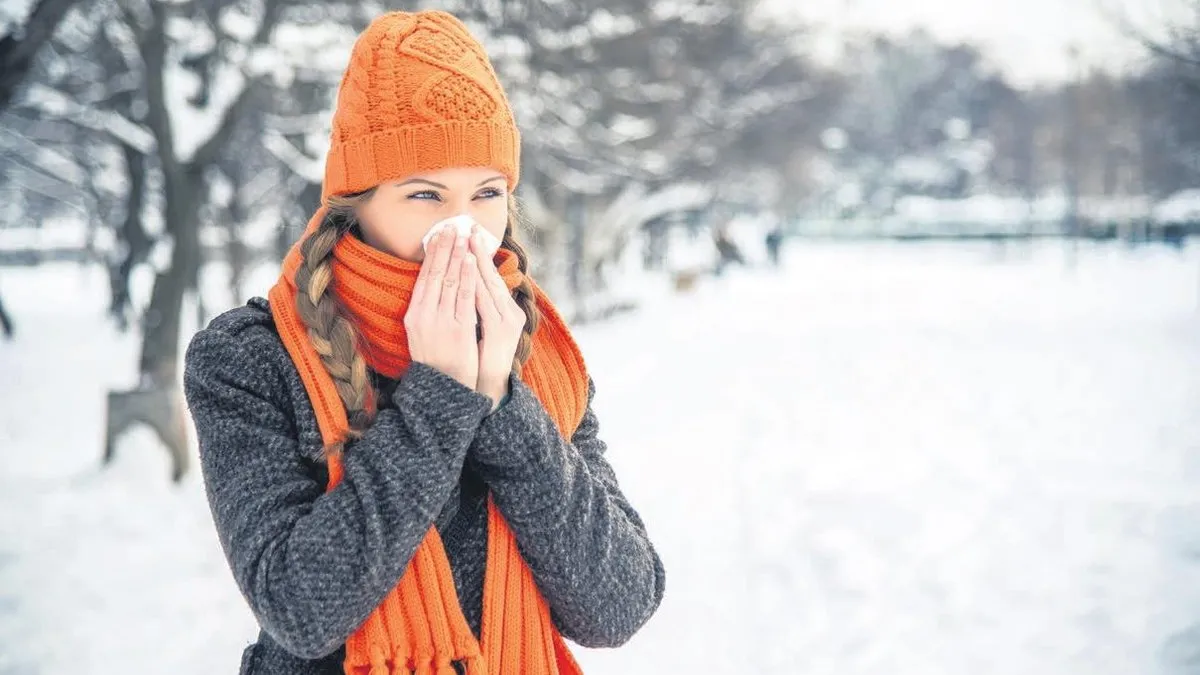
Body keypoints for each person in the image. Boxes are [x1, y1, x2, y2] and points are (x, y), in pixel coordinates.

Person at [183, 10, 665, 675]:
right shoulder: (252, 357)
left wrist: (501, 404)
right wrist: (442, 396)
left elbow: (619, 605)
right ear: (357, 202)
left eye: (487, 192)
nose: (463, 228)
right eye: (425, 194)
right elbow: (301, 609)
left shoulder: (538, 352)